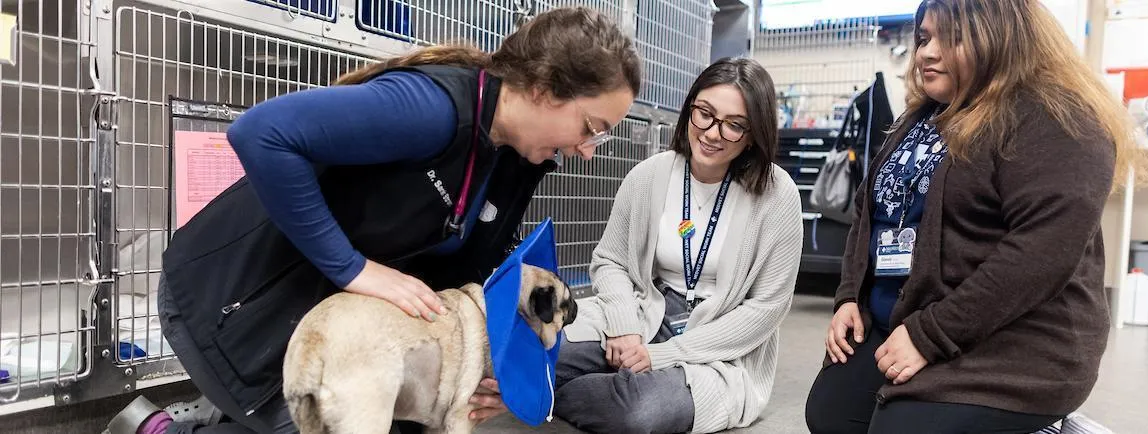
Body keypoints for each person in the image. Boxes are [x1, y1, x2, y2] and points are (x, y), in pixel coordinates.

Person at [105, 6, 641, 434]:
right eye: (592, 127)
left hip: (327, 324)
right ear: (545, 90)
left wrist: (504, 364)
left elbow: (480, 264)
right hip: (227, 310)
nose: (590, 150)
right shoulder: (434, 108)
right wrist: (354, 269)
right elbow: (261, 134)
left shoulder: (516, 156)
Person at [804, 1, 1148, 433]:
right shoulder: (925, 115)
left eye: (949, 38)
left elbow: (1039, 256)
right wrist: (849, 297)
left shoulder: (1059, 119)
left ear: (1001, 37)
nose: (926, 53)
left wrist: (928, 336)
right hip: (907, 319)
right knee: (831, 417)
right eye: (923, 38)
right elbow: (870, 209)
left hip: (1011, 341)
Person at [552, 57, 804, 434]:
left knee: (640, 411)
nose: (713, 133)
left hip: (720, 342)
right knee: (541, 353)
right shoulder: (649, 175)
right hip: (648, 312)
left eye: (734, 125)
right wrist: (623, 327)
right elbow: (611, 261)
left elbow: (765, 310)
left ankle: (566, 394)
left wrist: (661, 356)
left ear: (753, 134)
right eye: (704, 113)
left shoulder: (777, 195)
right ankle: (597, 382)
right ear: (689, 110)